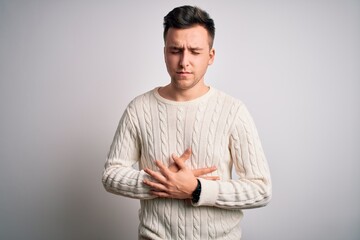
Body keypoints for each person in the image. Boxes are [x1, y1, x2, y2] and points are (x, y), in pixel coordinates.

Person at [102, 5, 272, 240]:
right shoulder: (139, 109)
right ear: (164, 53)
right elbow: (111, 175)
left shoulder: (233, 111)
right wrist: (161, 182)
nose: (184, 61)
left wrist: (196, 189)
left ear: (210, 56)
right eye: (175, 50)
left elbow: (261, 189)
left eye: (194, 51)